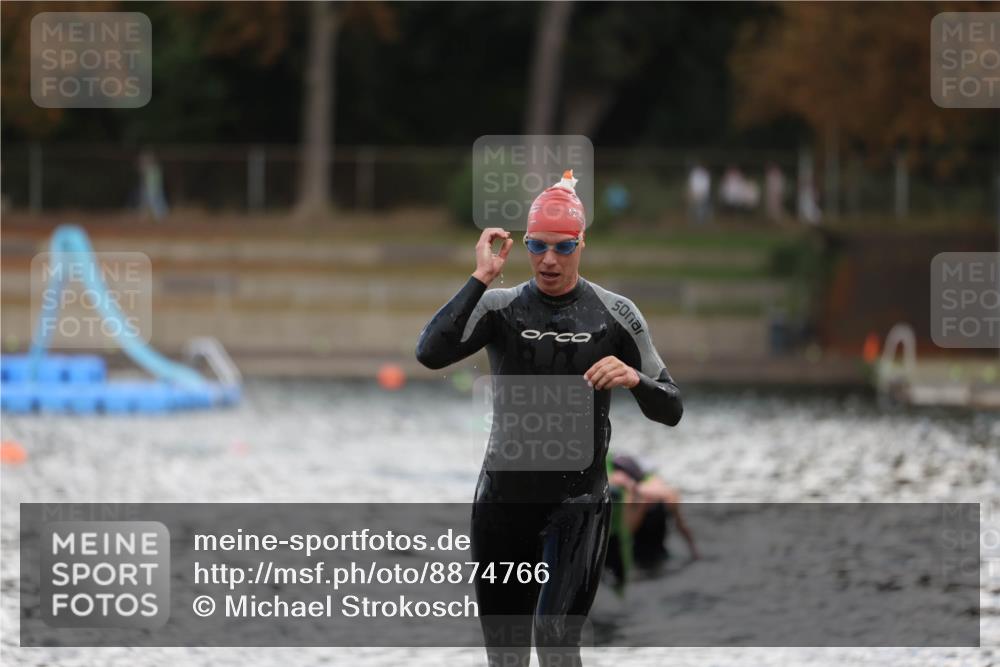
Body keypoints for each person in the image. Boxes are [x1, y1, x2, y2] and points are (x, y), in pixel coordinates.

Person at [415, 170, 683, 667]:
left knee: (556, 638)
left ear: (582, 243)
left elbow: (671, 407)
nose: (549, 260)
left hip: (578, 504)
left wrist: (633, 378)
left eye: (563, 247)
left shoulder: (616, 314)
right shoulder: (500, 307)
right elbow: (429, 353)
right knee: (506, 655)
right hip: (502, 503)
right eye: (537, 246)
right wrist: (480, 278)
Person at [604, 453, 698, 592]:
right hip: (659, 555)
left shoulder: (634, 494)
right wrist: (695, 552)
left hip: (640, 560)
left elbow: (627, 531)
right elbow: (682, 526)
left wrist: (633, 494)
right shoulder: (665, 491)